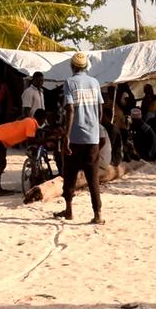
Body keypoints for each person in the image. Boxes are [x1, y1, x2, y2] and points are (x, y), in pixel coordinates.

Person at [56, 52, 105, 224]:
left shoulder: (69, 83)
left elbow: (70, 110)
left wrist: (67, 136)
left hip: (76, 137)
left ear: (73, 66)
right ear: (86, 67)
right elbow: (100, 111)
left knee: (69, 174)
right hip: (92, 138)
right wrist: (95, 128)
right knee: (93, 178)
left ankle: (69, 210)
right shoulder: (95, 83)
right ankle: (97, 214)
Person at [0, 109, 48, 196]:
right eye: (44, 120)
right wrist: (46, 140)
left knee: (1, 163)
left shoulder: (31, 122)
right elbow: (31, 140)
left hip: (1, 140)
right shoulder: (31, 123)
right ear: (42, 119)